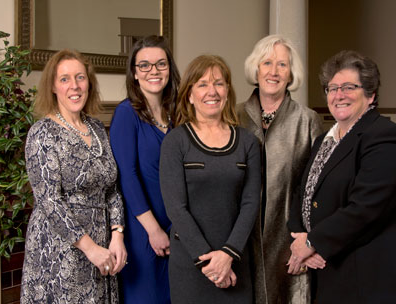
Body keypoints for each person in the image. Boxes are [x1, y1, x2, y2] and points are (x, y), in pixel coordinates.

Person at [287, 50, 396, 303]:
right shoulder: (323, 141)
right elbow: (302, 193)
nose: (338, 95)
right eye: (332, 88)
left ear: (371, 94)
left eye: (348, 87)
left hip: (361, 275)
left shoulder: (383, 136)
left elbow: (366, 208)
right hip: (324, 269)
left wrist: (313, 241)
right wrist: (299, 237)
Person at [21, 49, 127, 303]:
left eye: (80, 77)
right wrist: (90, 249)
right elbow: (49, 201)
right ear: (53, 87)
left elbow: (111, 188)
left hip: (103, 248)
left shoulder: (98, 128)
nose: (74, 86)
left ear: (89, 83)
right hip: (61, 250)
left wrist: (118, 234)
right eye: (65, 79)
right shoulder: (42, 133)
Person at [159, 55, 261, 303]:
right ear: (190, 95)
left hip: (235, 260)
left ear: (227, 91)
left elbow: (250, 204)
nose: (212, 91)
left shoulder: (248, 142)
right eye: (202, 84)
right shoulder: (176, 142)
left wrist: (227, 256)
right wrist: (210, 262)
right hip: (191, 265)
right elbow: (176, 208)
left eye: (219, 83)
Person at [237, 34, 323, 303]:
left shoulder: (308, 120)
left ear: (291, 74)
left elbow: (318, 189)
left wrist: (308, 242)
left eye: (282, 65)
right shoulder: (233, 115)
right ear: (256, 68)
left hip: (290, 242)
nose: (274, 72)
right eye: (267, 63)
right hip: (240, 241)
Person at [109, 35, 180, 303]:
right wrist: (154, 230)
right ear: (135, 74)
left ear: (170, 70)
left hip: (177, 228)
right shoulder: (126, 114)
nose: (154, 71)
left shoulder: (179, 113)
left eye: (161, 64)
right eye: (145, 65)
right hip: (144, 232)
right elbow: (127, 177)